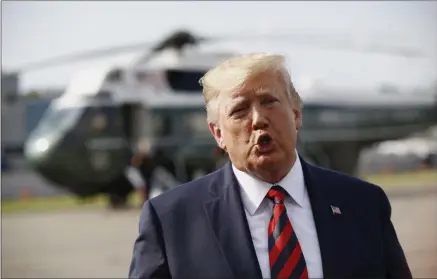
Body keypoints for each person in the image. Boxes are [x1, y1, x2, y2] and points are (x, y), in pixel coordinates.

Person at [128, 53, 412, 279]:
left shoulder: (363, 204)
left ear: (296, 115)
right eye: (239, 110)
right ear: (218, 134)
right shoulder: (170, 220)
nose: (258, 119)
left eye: (269, 102)